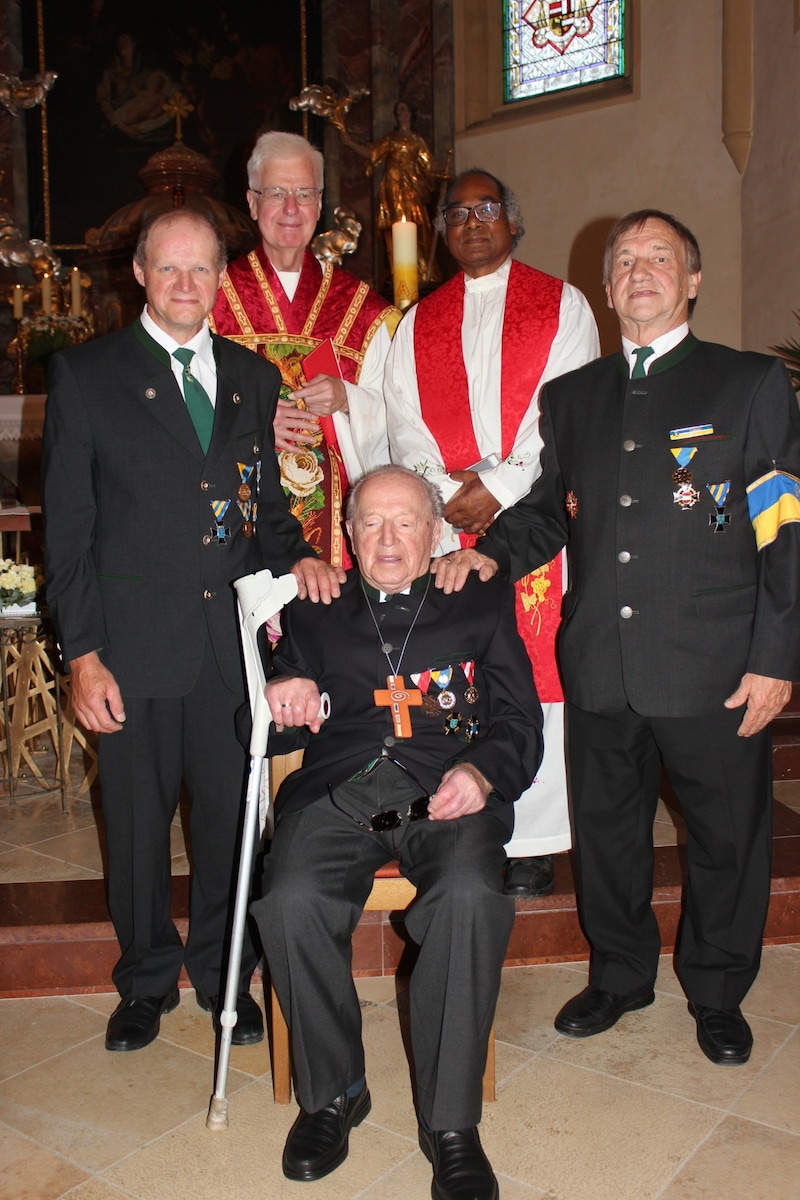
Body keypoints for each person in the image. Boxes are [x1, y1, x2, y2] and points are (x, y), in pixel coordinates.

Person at [434, 209, 800, 1065]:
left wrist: (777, 658)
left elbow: (783, 530)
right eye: (626, 260)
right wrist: (485, 558)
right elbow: (548, 514)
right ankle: (621, 974)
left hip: (715, 668)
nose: (641, 271)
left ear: (693, 279)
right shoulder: (573, 397)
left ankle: (716, 989)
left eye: (660, 257)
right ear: (606, 290)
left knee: (725, 840)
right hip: (599, 662)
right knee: (607, 836)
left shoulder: (747, 385)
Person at [42, 209, 344, 1054]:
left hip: (229, 654)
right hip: (132, 648)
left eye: (201, 270)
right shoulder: (87, 375)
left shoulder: (250, 378)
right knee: (136, 829)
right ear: (139, 272)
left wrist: (304, 562)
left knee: (229, 826)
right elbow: (67, 533)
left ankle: (225, 978)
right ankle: (144, 980)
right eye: (169, 269)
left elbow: (266, 515)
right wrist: (84, 656)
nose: (185, 285)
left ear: (221, 278)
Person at [251, 465, 542, 1198]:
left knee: (472, 896)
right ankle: (335, 1092)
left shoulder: (475, 598)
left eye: (405, 522)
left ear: (437, 531)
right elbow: (263, 733)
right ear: (346, 534)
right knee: (288, 902)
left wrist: (481, 775)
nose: (387, 539)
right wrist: (277, 693)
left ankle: (450, 1123)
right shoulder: (316, 609)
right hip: (337, 791)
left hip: (446, 789)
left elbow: (519, 723)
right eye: (370, 523)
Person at [384, 167, 599, 900]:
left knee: (534, 673)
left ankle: (534, 837)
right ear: (442, 234)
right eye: (456, 213)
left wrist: (500, 490)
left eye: (486, 209)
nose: (472, 222)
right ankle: (466, 815)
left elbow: (564, 412)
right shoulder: (418, 323)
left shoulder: (560, 305)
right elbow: (401, 423)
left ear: (512, 221)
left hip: (532, 525)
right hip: (450, 529)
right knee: (464, 672)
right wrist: (449, 496)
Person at [211, 131, 400, 570]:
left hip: (338, 521)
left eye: (304, 193)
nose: (291, 209)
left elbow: (400, 413)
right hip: (239, 510)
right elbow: (182, 396)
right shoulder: (209, 297)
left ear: (320, 205)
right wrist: (252, 425)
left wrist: (347, 398)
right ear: (253, 202)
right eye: (277, 193)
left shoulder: (362, 309)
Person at [341, 99, 439, 279]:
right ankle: (402, 273)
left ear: (410, 113)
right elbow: (372, 153)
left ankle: (424, 270)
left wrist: (445, 170)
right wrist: (350, 142)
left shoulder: (417, 140)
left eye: (403, 109)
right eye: (397, 111)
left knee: (419, 226)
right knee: (398, 227)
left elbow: (429, 164)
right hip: (394, 186)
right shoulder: (391, 139)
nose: (400, 113)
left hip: (413, 187)